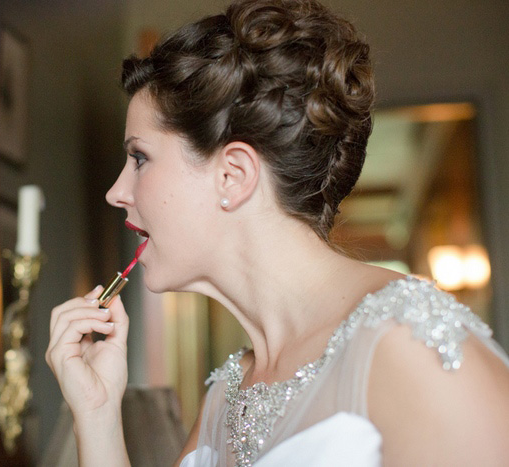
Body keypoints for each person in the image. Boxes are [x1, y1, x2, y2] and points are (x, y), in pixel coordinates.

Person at [45, 0, 509, 465]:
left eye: (140, 157)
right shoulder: (225, 397)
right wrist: (98, 412)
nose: (116, 192)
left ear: (233, 175)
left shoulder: (415, 350)